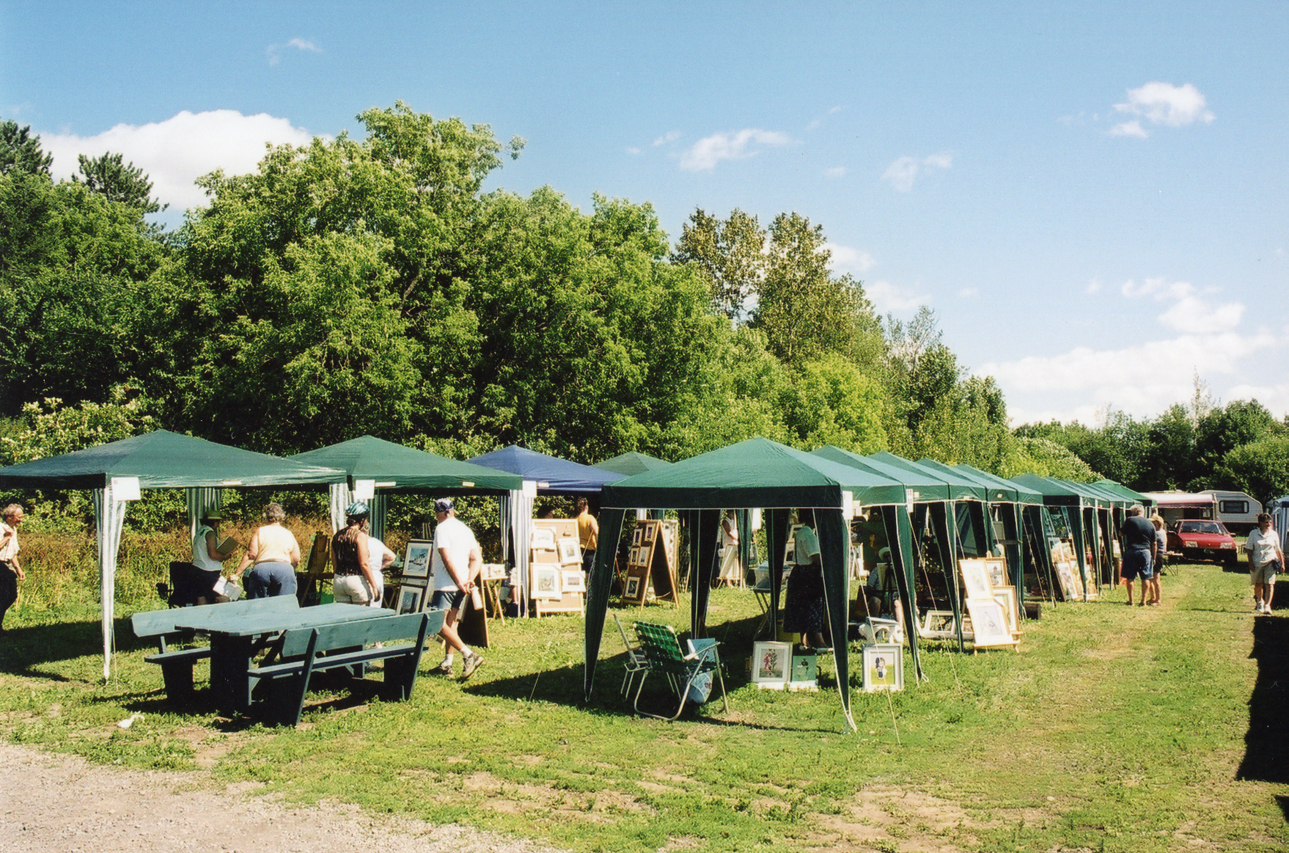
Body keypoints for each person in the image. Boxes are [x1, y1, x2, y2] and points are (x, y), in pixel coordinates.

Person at [429, 498, 484, 680]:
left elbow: (446, 558)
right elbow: (477, 558)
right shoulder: (465, 529)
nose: (436, 516)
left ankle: (469, 654)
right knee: (451, 623)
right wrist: (469, 579)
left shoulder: (441, 529)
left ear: (442, 512)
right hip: (460, 585)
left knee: (436, 623)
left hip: (446, 585)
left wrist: (460, 581)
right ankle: (447, 662)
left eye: (436, 512)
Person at [234, 502, 301, 598]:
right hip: (284, 570)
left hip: (262, 570)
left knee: (259, 605)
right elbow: (296, 559)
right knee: (285, 603)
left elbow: (251, 555)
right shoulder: (288, 533)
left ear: (265, 516)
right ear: (282, 516)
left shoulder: (260, 531)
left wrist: (237, 573)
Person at [783, 509, 827, 650]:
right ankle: (818, 641)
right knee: (813, 606)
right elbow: (815, 557)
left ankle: (804, 641)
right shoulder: (808, 535)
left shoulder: (801, 532)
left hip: (800, 572)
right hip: (808, 573)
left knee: (802, 608)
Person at [331, 502, 381, 606]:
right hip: (355, 580)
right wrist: (374, 586)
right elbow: (364, 564)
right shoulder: (360, 536)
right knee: (361, 617)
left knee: (344, 617)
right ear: (362, 520)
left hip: (339, 580)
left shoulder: (337, 536)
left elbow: (334, 563)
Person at [191, 509, 238, 605]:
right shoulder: (210, 533)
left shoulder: (199, 532)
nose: (219, 524)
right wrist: (225, 556)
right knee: (222, 596)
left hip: (197, 569)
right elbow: (212, 554)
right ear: (214, 521)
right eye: (218, 521)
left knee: (201, 597)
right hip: (209, 571)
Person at [1244, 512, 1285, 614]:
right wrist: (1250, 563)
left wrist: (1282, 563)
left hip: (1271, 562)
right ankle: (1259, 602)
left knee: (1269, 584)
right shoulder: (1253, 534)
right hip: (1257, 562)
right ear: (1261, 523)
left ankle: (1267, 605)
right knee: (1258, 584)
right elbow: (1249, 550)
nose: (1268, 525)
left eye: (1269, 523)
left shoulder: (1274, 534)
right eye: (1266, 522)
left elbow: (1278, 550)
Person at [1118, 505, 1156, 607]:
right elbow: (1154, 543)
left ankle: (1131, 600)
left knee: (1130, 577)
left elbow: (1121, 533)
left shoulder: (1130, 520)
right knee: (1146, 577)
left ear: (1135, 512)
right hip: (1145, 552)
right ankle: (1143, 600)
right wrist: (1154, 557)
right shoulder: (1150, 524)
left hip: (1132, 551)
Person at [0, 504, 25, 635]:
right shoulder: (1, 528)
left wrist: (18, 568)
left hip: (6, 565)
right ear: (10, 517)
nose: (21, 520)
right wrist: (6, 537)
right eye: (19, 517)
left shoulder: (13, 529)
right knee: (4, 596)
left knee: (10, 596)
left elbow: (12, 552)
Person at [366, 533, 397, 608]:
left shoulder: (361, 542)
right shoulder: (377, 542)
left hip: (365, 576)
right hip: (377, 575)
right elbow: (392, 556)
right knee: (376, 607)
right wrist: (380, 566)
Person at [716, 509, 742, 587]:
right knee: (727, 563)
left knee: (734, 563)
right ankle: (727, 582)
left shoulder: (735, 521)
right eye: (732, 513)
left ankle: (734, 580)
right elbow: (729, 532)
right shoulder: (725, 521)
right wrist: (738, 539)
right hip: (728, 544)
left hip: (735, 544)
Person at [575, 497, 598, 574]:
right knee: (590, 575)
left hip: (577, 550)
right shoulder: (589, 518)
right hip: (589, 550)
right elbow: (597, 533)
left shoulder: (575, 519)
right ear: (586, 507)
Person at [1148, 514, 1167, 606]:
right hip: (1158, 555)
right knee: (1152, 578)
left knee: (1156, 579)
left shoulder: (1157, 533)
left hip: (1157, 555)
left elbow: (1153, 544)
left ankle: (1158, 599)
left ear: (1157, 523)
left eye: (1153, 522)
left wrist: (1154, 558)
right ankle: (1153, 597)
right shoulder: (1162, 531)